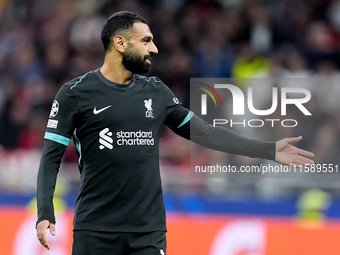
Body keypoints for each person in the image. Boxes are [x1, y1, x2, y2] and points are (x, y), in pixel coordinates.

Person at [36, 11, 314, 255]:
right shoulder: (75, 93)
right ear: (119, 44)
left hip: (148, 231)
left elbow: (206, 133)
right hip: (95, 229)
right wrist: (45, 212)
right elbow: (51, 158)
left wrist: (267, 150)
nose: (154, 49)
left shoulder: (156, 92)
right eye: (145, 41)